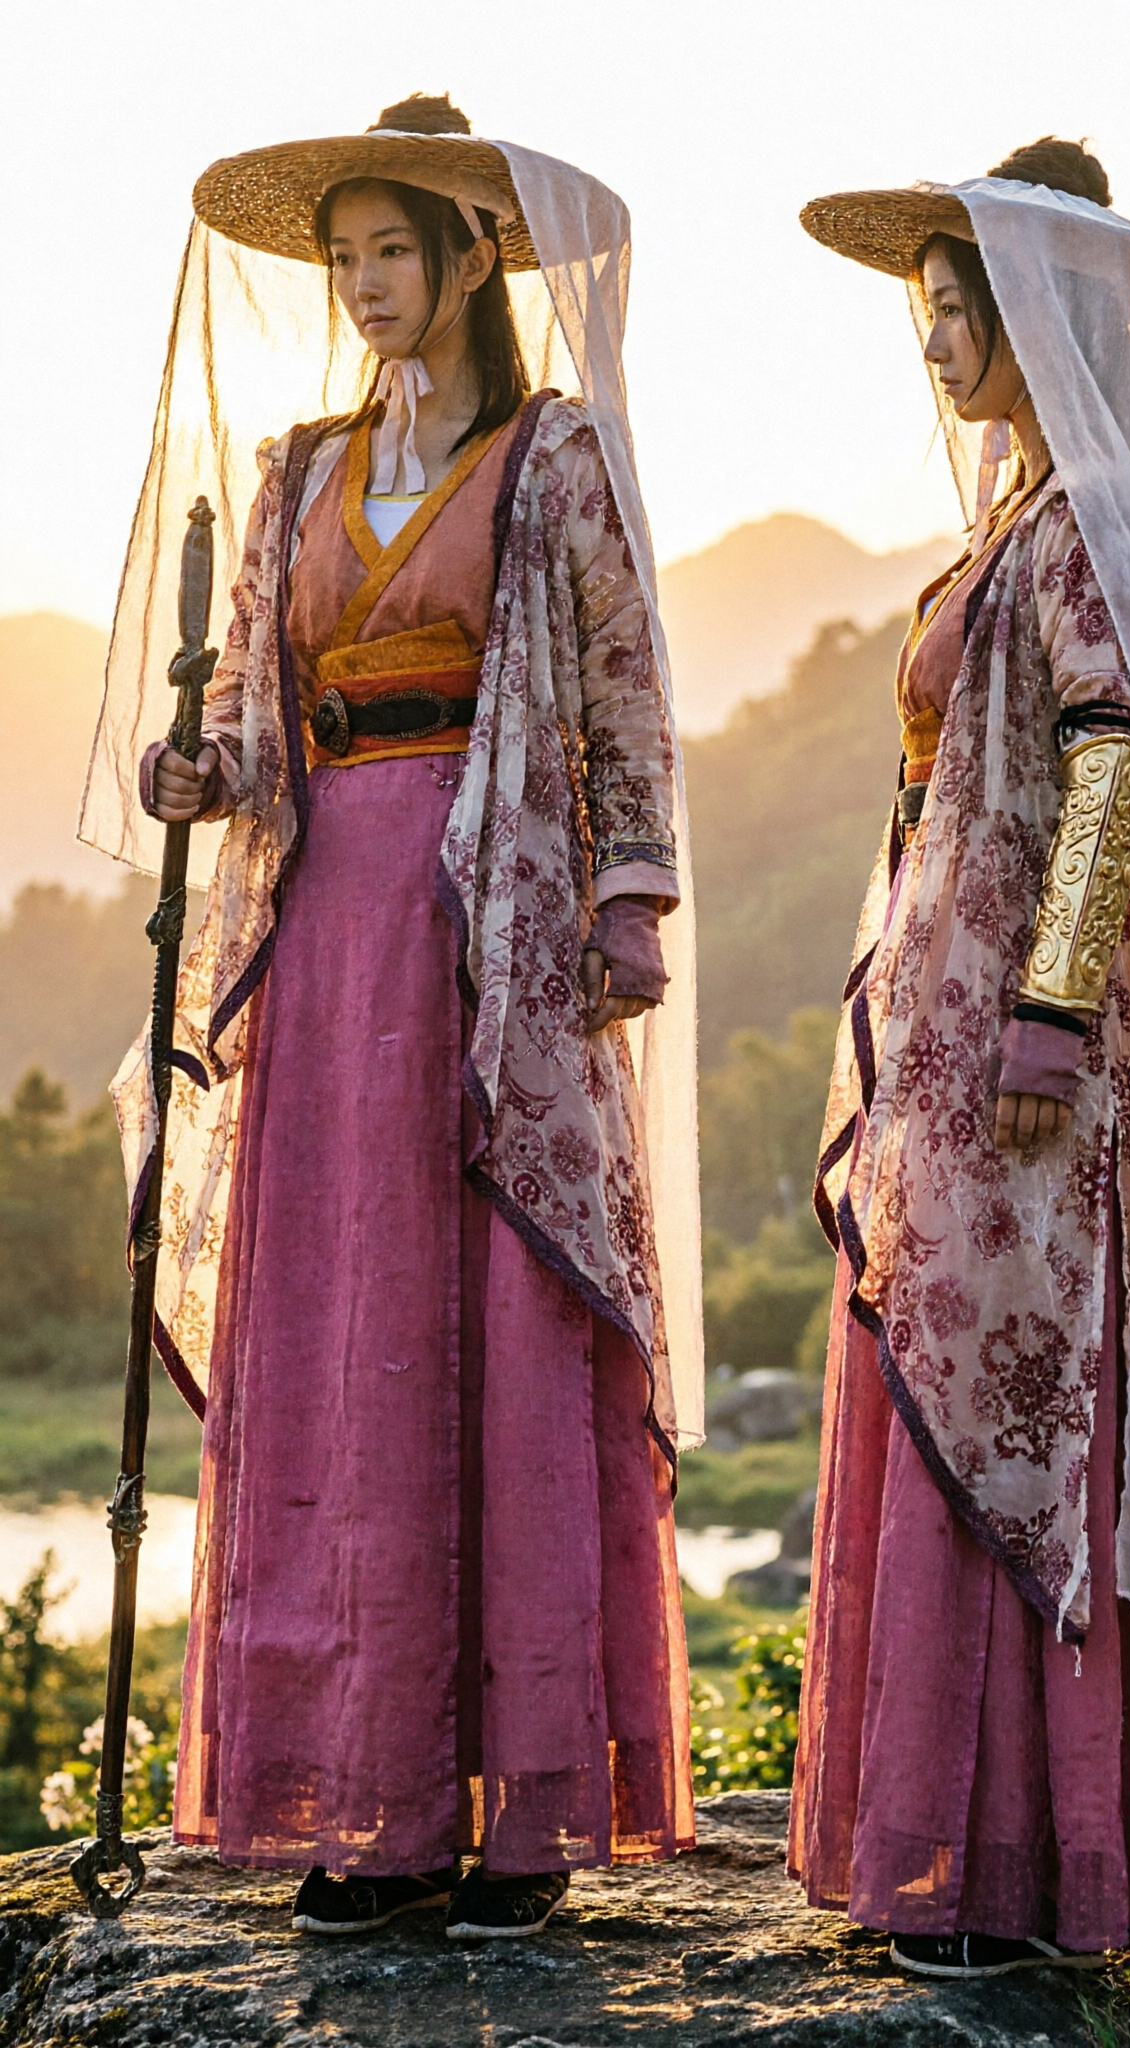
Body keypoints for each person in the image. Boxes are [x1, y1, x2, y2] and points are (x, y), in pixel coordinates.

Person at [83, 94, 701, 1939]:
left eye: (391, 250)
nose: (362, 283)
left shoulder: (551, 455)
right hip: (329, 912)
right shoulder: (293, 472)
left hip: (486, 922)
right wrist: (198, 770)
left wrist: (627, 893)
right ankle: (359, 1803)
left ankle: (510, 1819)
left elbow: (622, 683)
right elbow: (263, 714)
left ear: (465, 261)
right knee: (340, 1332)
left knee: (492, 1328)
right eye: (342, 254)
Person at [788, 140, 1130, 1977]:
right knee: (943, 1380)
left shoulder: (1081, 522)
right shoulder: (1012, 518)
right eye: (924, 305)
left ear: (1036, 318)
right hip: (946, 1032)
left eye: (960, 303)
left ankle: (1025, 1862)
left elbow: (1113, 751)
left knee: (1024, 1400)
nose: (933, 337)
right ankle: (949, 1845)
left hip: (1022, 1055)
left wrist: (1053, 1002)